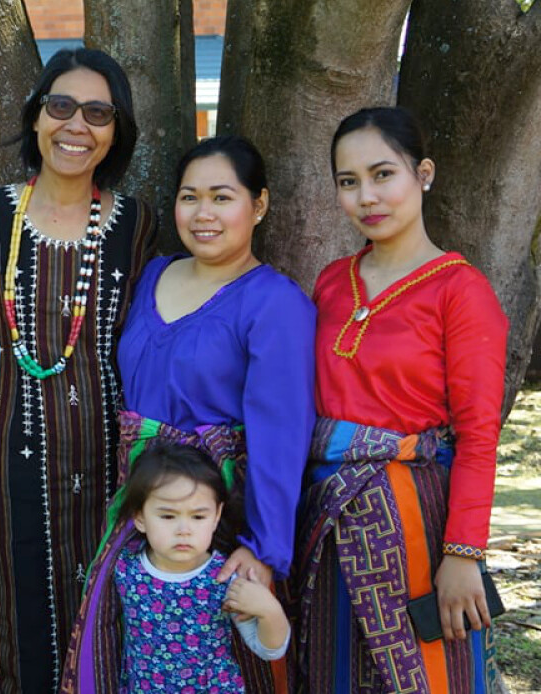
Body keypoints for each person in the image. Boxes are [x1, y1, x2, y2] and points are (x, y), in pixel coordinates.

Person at [61, 135, 315, 692]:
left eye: (222, 197)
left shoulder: (275, 303)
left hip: (215, 520)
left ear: (260, 205)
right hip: (139, 514)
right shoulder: (153, 275)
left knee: (215, 666)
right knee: (120, 659)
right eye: (189, 196)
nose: (203, 214)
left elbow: (282, 437)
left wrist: (263, 549)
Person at [0, 47, 156, 693]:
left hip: (109, 460)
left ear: (116, 131)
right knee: (18, 613)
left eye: (98, 112)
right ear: (36, 117)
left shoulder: (138, 224)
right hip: (11, 459)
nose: (77, 126)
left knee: (106, 616)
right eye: (61, 106)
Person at [297, 107, 507, 692]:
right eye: (348, 181)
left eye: (383, 174)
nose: (367, 196)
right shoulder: (334, 281)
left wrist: (463, 554)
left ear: (424, 174)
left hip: (419, 525)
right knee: (333, 668)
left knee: (424, 675)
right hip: (328, 515)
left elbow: (478, 436)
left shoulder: (460, 291)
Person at [68, 443, 290, 693]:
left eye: (198, 517)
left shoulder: (225, 576)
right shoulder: (125, 569)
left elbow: (270, 649)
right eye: (168, 516)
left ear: (217, 516)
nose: (184, 529)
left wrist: (270, 612)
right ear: (140, 517)